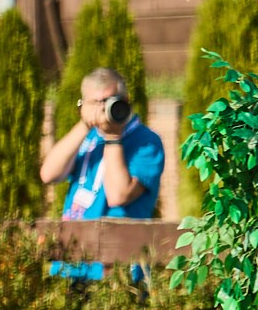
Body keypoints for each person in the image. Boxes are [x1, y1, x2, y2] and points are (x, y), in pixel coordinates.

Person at [41, 68, 166, 224]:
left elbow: (118, 196)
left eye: (110, 101)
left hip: (119, 240)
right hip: (75, 237)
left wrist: (113, 137)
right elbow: (48, 175)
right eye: (96, 102)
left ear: (125, 100)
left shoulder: (147, 142)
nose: (103, 108)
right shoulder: (89, 134)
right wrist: (84, 124)